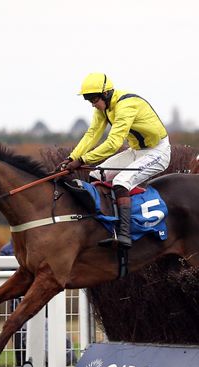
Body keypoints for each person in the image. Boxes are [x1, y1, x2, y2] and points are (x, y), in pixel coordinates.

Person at [58, 72, 171, 249]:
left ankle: (125, 234)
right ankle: (106, 226)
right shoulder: (104, 108)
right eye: (89, 101)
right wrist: (71, 158)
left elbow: (113, 143)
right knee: (97, 175)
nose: (94, 105)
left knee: (121, 182)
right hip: (136, 151)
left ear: (106, 93)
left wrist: (82, 160)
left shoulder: (126, 105)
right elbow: (92, 134)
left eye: (94, 99)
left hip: (158, 151)